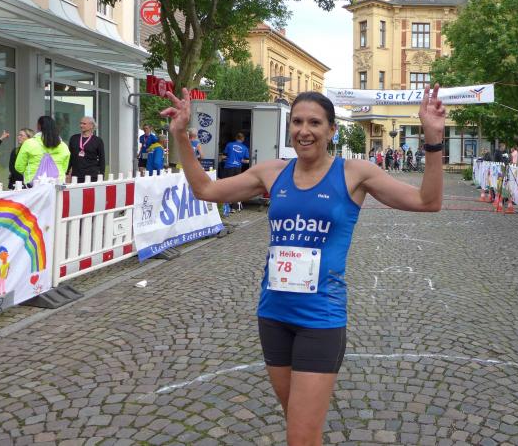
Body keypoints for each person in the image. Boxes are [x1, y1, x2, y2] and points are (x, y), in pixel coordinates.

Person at [161, 86, 446, 446]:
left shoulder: (354, 173)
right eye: (297, 122)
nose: (304, 130)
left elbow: (427, 201)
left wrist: (433, 140)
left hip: (320, 320)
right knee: (300, 428)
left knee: (300, 435)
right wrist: (181, 135)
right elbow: (205, 189)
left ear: (332, 130)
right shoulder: (271, 172)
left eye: (314, 122)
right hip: (273, 315)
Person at [14, 116, 70, 186]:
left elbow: (19, 166)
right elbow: (64, 167)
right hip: (58, 183)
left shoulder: (29, 143)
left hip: (34, 183)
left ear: (39, 126)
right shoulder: (63, 146)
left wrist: (30, 172)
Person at [67, 116, 106, 183]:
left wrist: (102, 175)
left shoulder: (98, 141)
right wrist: (67, 172)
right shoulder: (74, 138)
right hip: (76, 176)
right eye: (80, 123)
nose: (81, 125)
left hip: (92, 176)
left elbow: (102, 159)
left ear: (91, 125)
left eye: (84, 124)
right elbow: (70, 156)